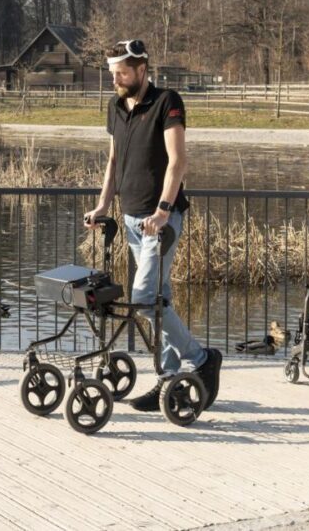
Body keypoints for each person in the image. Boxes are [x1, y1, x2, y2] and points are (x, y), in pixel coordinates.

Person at [83, 39, 222, 412]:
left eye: (123, 73)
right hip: (131, 219)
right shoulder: (115, 106)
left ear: (142, 70)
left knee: (143, 297)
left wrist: (163, 210)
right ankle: (169, 380)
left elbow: (178, 162)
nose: (116, 80)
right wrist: (101, 205)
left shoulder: (167, 102)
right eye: (113, 74)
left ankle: (203, 357)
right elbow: (113, 162)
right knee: (160, 299)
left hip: (160, 220)